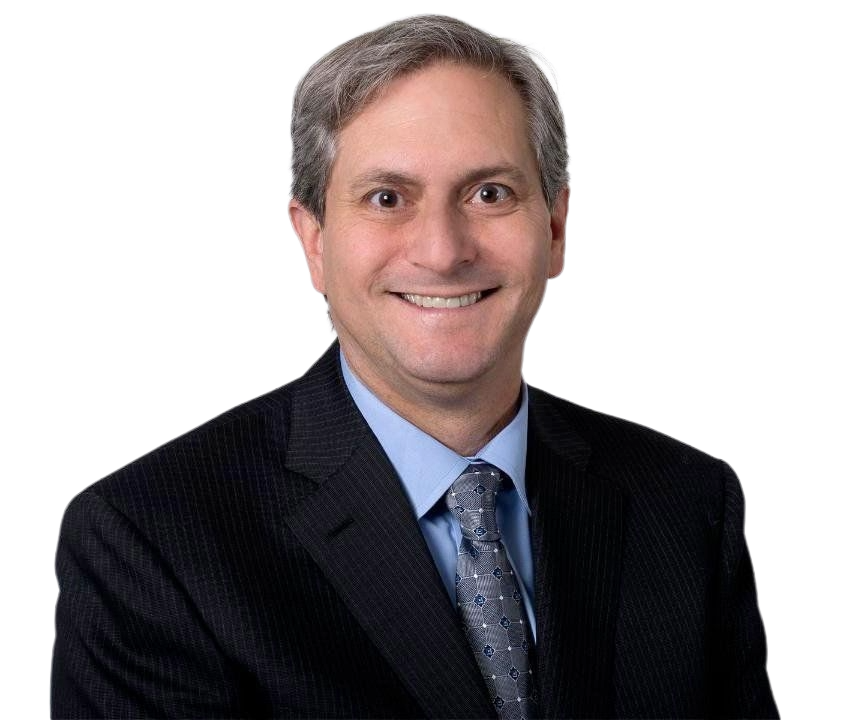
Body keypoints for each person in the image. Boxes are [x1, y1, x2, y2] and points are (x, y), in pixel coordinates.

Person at [50, 12, 779, 719]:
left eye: (490, 193)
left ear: (556, 228)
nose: (442, 250)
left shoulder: (688, 501)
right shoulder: (149, 538)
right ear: (313, 240)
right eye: (387, 198)